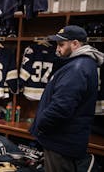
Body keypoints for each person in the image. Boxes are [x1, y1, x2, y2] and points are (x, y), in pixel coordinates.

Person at [30, 25, 104, 171]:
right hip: (64, 141)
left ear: (75, 44)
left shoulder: (78, 68)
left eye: (61, 45)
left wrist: (41, 125)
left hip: (60, 143)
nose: (57, 49)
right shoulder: (80, 64)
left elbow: (61, 107)